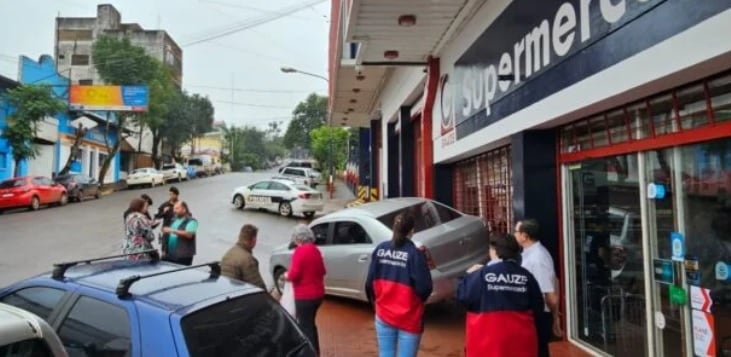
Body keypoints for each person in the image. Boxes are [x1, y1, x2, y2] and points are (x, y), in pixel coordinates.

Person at [457, 233, 544, 357]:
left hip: (486, 343)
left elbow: (463, 297)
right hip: (521, 343)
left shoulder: (481, 275)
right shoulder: (526, 276)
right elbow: (538, 308)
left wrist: (467, 276)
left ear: (494, 251)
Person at [365, 213, 433, 357]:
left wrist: (376, 304)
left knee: (385, 354)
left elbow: (369, 284)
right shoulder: (415, 254)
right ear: (412, 231)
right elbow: (425, 288)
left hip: (383, 314)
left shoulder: (380, 249)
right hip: (410, 317)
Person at [515, 219, 562, 357]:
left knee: (538, 350)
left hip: (540, 314)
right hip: (532, 312)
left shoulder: (538, 258)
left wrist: (555, 317)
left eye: (516, 232)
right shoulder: (528, 253)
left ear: (525, 236)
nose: (514, 235)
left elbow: (550, 293)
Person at [285, 224, 326, 354]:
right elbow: (323, 271)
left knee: (305, 327)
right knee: (311, 324)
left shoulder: (299, 251)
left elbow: (294, 275)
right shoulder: (315, 250)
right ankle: (316, 351)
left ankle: (310, 353)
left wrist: (286, 275)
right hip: (318, 296)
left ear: (299, 239)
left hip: (304, 297)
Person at [220, 224, 266, 289]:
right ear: (254, 240)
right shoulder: (248, 260)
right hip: (239, 295)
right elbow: (258, 287)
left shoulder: (228, 254)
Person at [161, 201, 197, 266]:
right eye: (174, 208)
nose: (174, 210)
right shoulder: (173, 220)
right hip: (169, 254)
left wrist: (172, 230)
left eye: (177, 208)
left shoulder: (192, 221)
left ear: (184, 209)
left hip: (183, 256)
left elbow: (189, 235)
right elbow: (167, 235)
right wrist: (164, 250)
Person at [156, 187, 180, 255]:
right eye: (169, 194)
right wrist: (163, 212)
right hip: (167, 231)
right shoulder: (165, 205)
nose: (170, 196)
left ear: (176, 195)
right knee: (165, 250)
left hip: (178, 231)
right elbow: (157, 216)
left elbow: (188, 216)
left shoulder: (181, 205)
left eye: (172, 194)